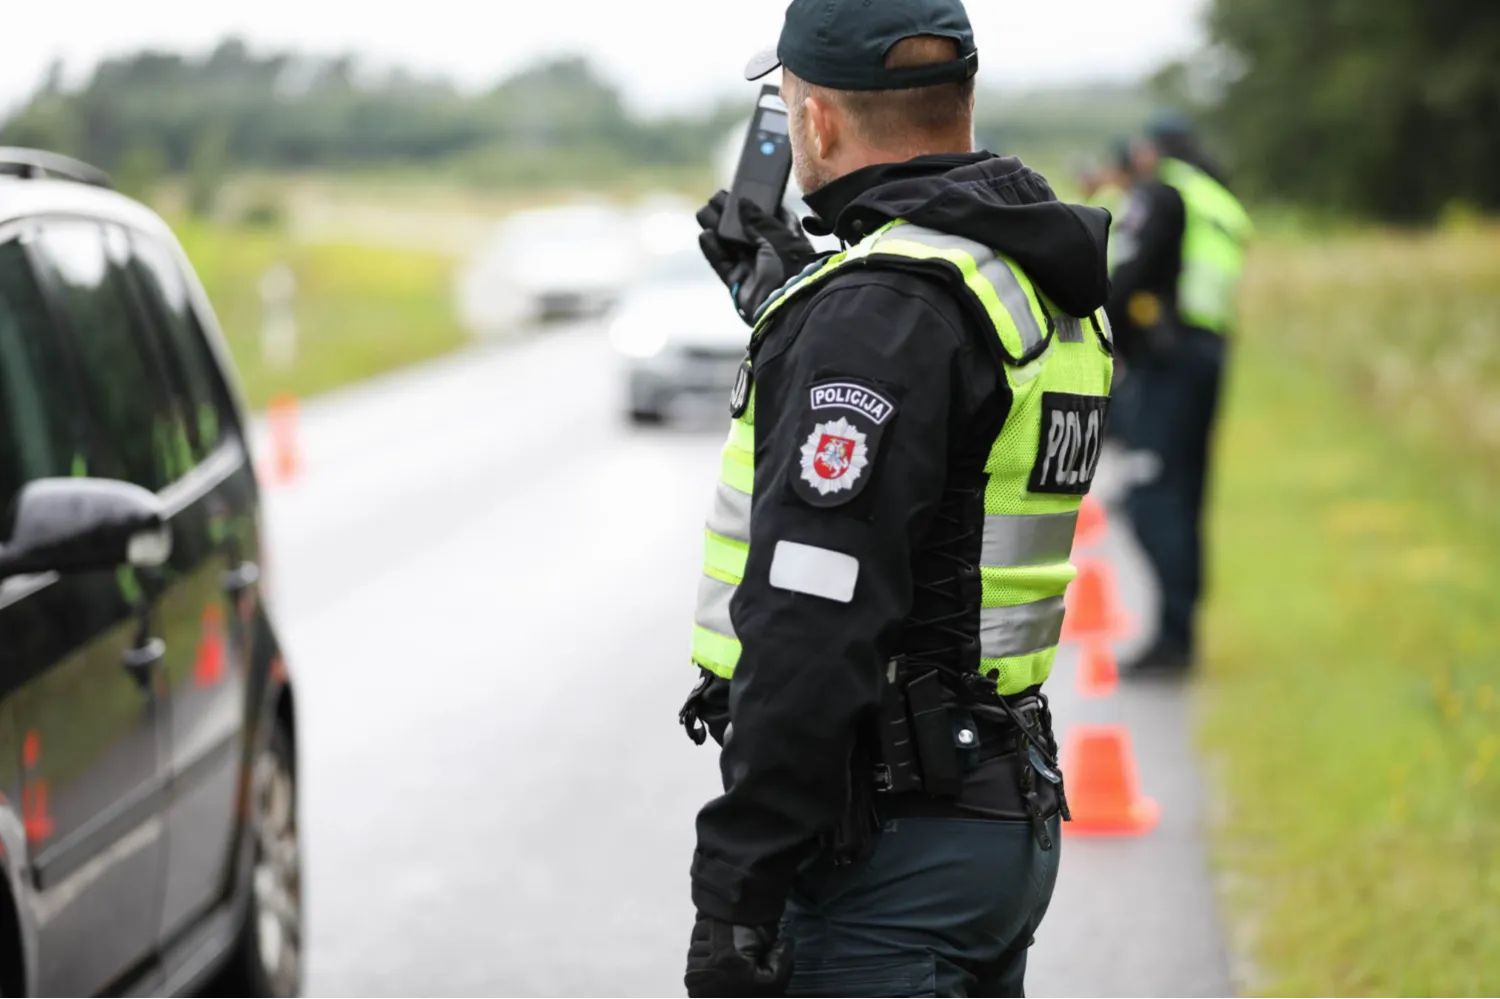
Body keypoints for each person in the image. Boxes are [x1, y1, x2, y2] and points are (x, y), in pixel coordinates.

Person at [675, 1, 1115, 995]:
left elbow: (813, 620)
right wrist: (792, 301)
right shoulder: (1024, 274)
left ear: (817, 123)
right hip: (993, 811)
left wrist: (736, 892)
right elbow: (949, 451)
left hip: (888, 853)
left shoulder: (882, 312)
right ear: (960, 99)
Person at [1104, 111, 1253, 676]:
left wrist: (1101, 334)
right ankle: (1181, 632)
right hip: (1208, 353)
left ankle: (1172, 642)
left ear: (1154, 151)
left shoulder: (1163, 193)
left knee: (1151, 495)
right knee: (1185, 495)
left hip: (1168, 361)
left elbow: (1130, 272)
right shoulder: (1217, 198)